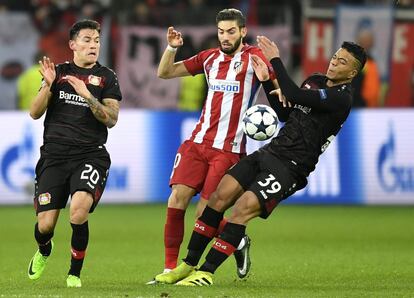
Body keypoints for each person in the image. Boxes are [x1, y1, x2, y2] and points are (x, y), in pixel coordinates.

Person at [156, 36, 367, 286]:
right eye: (334, 57)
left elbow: (292, 92)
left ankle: (206, 272)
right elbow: (285, 112)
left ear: (352, 73)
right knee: (217, 198)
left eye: (342, 62)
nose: (334, 63)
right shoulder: (316, 81)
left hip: (291, 168)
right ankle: (187, 265)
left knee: (241, 210)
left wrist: (274, 60)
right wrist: (266, 83)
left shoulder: (342, 98)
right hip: (270, 151)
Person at [152, 8, 276, 283]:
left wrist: (270, 73)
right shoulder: (209, 58)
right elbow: (165, 73)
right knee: (176, 199)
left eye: (231, 31)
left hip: (229, 149)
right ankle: (170, 268)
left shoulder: (254, 57)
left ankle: (237, 240)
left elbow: (274, 83)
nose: (225, 37)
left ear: (243, 31)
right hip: (197, 142)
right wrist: (171, 49)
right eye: (221, 32)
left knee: (204, 214)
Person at [27, 19, 122, 288]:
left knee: (78, 211)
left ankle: (74, 273)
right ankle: (45, 249)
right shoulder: (57, 73)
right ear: (72, 45)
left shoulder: (107, 77)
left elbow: (112, 118)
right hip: (54, 157)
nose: (93, 45)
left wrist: (87, 95)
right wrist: (48, 84)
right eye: (87, 40)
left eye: (97, 41)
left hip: (90, 155)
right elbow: (34, 113)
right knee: (45, 226)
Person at [351, 18, 381, 107]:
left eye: (370, 39)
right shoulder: (355, 60)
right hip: (359, 106)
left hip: (371, 107)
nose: (369, 42)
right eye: (366, 40)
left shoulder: (371, 60)